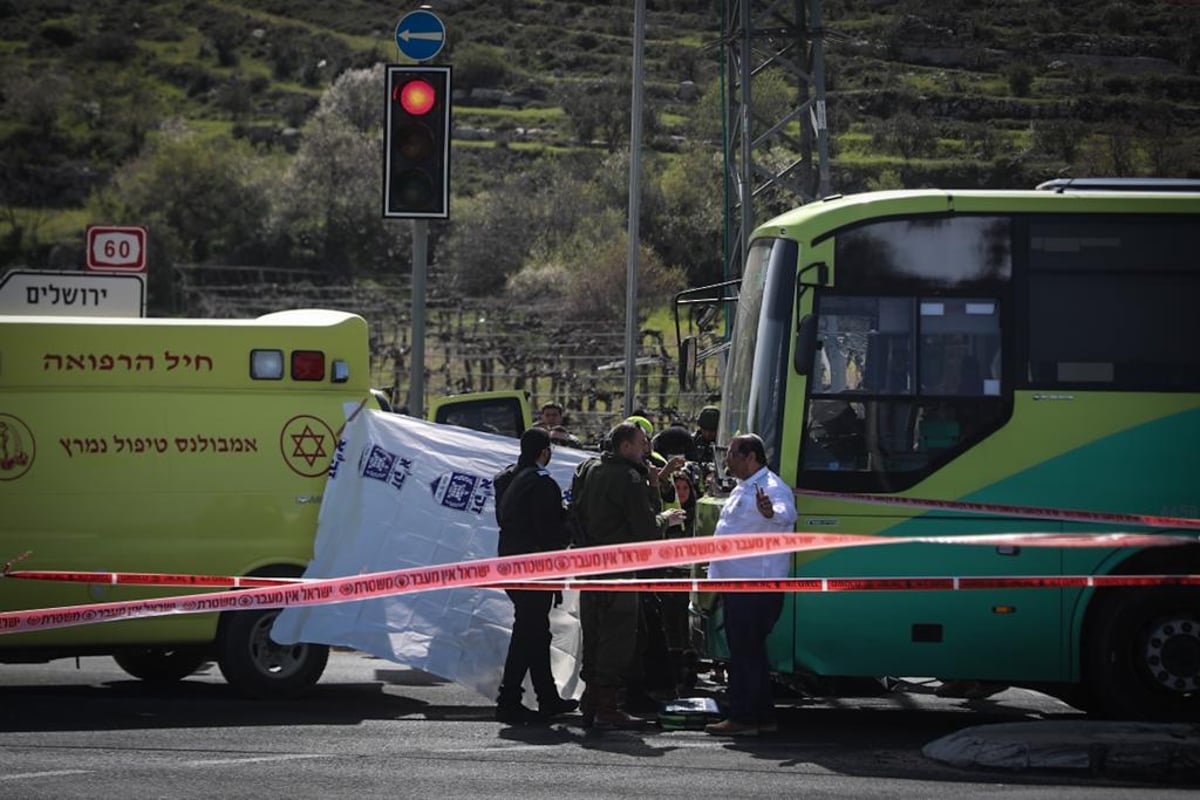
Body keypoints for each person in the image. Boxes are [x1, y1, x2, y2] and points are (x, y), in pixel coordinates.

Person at [571, 421, 685, 729]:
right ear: (625, 446)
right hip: (619, 568)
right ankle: (607, 702)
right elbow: (646, 529)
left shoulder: (588, 468)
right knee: (619, 636)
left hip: (589, 565)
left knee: (593, 634)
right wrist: (664, 514)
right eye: (641, 443)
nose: (645, 449)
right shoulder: (628, 478)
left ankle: (591, 698)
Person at [704, 433, 797, 737]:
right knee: (751, 653)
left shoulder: (770, 487)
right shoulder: (744, 487)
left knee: (745, 654)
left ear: (750, 457)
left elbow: (785, 514)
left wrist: (770, 511)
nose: (727, 458)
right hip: (740, 586)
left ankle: (744, 718)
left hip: (754, 588)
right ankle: (763, 717)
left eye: (732, 453)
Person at [492, 427, 579, 724]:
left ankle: (546, 697)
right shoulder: (543, 485)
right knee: (529, 631)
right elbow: (551, 532)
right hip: (536, 568)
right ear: (544, 452)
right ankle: (509, 699)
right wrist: (569, 523)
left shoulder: (505, 478)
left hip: (509, 562)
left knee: (535, 630)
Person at [692, 405, 720, 470]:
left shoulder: (723, 442)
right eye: (704, 430)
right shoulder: (693, 440)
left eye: (712, 430)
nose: (708, 434)